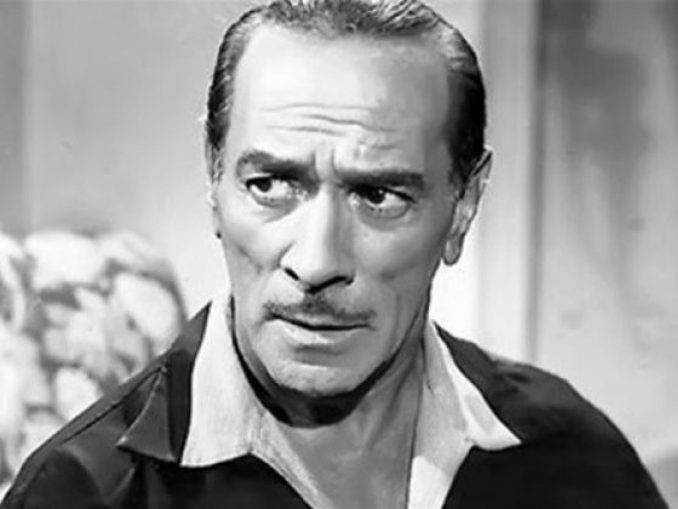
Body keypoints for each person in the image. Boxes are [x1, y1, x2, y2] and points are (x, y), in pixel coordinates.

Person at [1, 0, 667, 507]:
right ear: (214, 177)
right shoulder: (83, 492)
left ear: (463, 205)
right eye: (270, 184)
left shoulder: (574, 461)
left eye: (378, 195)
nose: (316, 262)